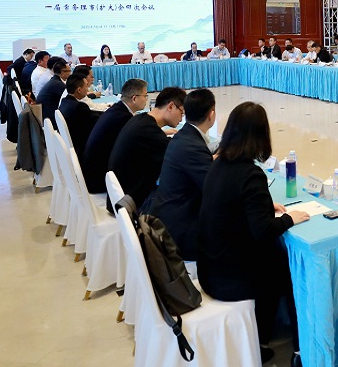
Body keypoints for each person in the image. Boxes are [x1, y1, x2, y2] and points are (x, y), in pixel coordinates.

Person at [197, 102, 309, 365]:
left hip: (209, 268)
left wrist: (263, 204)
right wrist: (290, 218)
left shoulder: (218, 164)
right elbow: (263, 231)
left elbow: (233, 203)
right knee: (288, 271)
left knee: (275, 263)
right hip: (230, 279)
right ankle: (299, 349)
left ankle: (262, 337)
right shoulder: (250, 174)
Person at [148, 89, 217, 262]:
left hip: (167, 218)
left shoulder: (184, 136)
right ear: (212, 115)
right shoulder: (192, 146)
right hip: (180, 234)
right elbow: (216, 191)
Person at [107, 86, 186, 211]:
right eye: (181, 113)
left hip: (120, 196)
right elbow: (179, 154)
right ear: (171, 106)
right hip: (130, 204)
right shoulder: (148, 131)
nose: (181, 119)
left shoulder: (140, 119)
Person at [81, 79, 149, 192]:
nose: (146, 99)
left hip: (93, 172)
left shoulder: (117, 109)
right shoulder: (123, 118)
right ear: (134, 98)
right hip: (100, 179)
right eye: (145, 96)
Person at [57, 73, 100, 156]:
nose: (87, 90)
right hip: (81, 147)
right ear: (79, 90)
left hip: (71, 141)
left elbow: (91, 114)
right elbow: (95, 120)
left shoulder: (65, 101)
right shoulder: (79, 106)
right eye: (86, 86)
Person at [36, 59, 70, 125]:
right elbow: (71, 97)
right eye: (69, 71)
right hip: (50, 118)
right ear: (62, 73)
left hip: (45, 114)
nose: (70, 73)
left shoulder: (54, 80)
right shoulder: (58, 84)